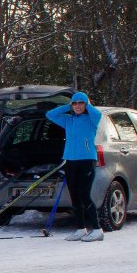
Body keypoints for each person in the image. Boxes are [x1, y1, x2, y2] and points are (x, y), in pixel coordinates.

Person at [45, 91, 103, 242]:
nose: (78, 106)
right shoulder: (68, 120)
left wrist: (87, 105)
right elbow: (50, 114)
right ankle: (81, 228)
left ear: (86, 104)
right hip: (71, 161)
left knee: (84, 195)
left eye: (81, 103)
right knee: (75, 197)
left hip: (87, 160)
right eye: (75, 103)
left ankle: (97, 229)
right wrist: (68, 106)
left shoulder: (91, 119)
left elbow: (97, 113)